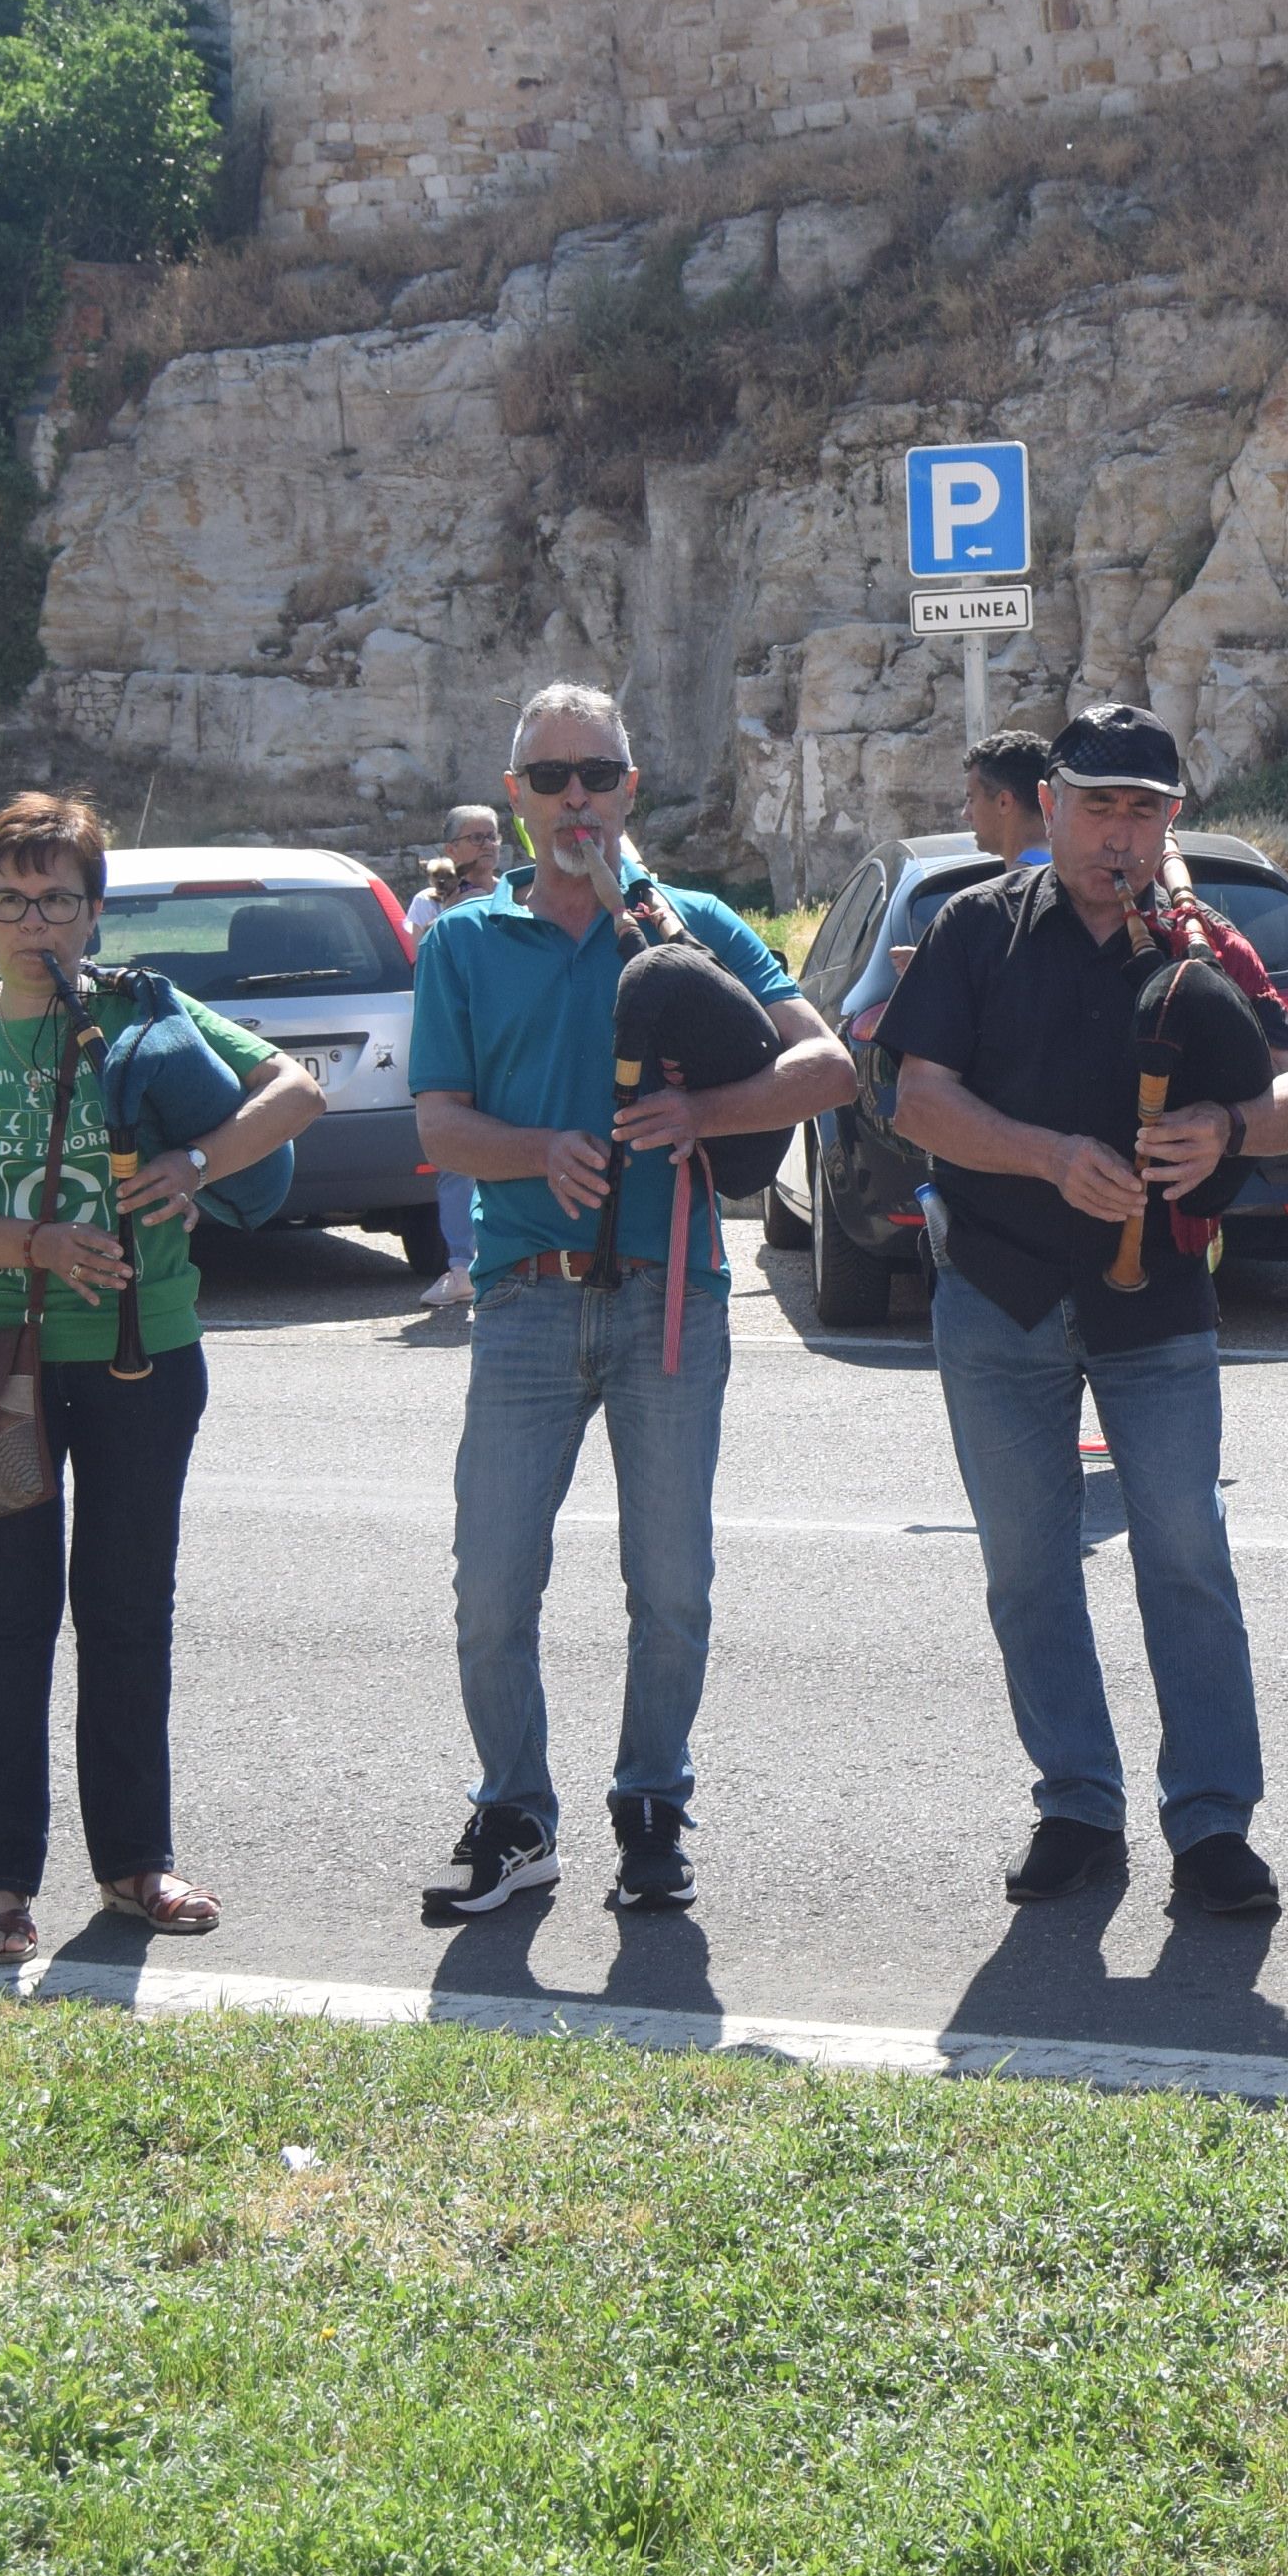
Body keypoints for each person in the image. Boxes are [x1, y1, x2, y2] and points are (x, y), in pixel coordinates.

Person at [410, 685, 856, 1920]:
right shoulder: (460, 938)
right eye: (548, 778)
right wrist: (540, 1151)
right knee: (491, 1581)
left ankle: (651, 1805)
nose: (573, 800)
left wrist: (703, 1113)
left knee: (671, 1585)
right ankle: (513, 1816)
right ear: (513, 796)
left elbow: (825, 1063)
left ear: (629, 788)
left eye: (595, 774)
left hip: (673, 1294)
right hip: (524, 1300)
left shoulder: (688, 921)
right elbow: (440, 1126)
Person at [884, 703, 1288, 1914]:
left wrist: (1231, 1127)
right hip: (1000, 1293)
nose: (1118, 837)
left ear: (1167, 823)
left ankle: (1210, 1830)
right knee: (1028, 1570)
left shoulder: (1203, 943)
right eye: (1097, 807)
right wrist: (1043, 1156)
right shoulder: (975, 929)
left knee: (1187, 1560)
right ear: (1050, 809)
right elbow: (918, 1101)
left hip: (1160, 1306)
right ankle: (1077, 1808)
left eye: (1143, 811)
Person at [0, 790, 328, 1965]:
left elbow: (297, 1090)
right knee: (3, 1621)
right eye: (12, 899)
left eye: (59, 900)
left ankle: (135, 1863)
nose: (36, 921)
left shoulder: (145, 1010)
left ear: (93, 912)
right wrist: (31, 1244)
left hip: (147, 1352)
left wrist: (195, 1159)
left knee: (128, 1616)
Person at [408, 801, 508, 1310]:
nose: (487, 845)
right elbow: (426, 966)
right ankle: (462, 1264)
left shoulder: (518, 896)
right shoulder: (427, 905)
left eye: (491, 835)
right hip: (457, 1041)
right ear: (449, 849)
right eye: (474, 837)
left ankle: (505, 1255)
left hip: (504, 1038)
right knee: (456, 1156)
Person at [962, 729, 1054, 865]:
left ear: (1004, 802)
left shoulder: (1020, 882)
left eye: (971, 799)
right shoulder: (1075, 870)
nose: (965, 814)